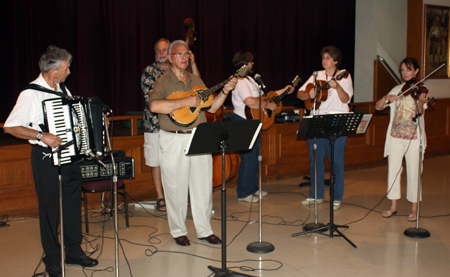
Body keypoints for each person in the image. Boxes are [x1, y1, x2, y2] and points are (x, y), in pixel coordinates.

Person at [3, 46, 98, 277]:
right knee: (49, 211)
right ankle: (52, 259)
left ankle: (74, 252)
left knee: (72, 206)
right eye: (66, 68)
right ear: (53, 70)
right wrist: (40, 135)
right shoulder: (31, 93)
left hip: (69, 158)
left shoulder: (62, 88)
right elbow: (10, 126)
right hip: (45, 159)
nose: (69, 72)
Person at [149, 40, 237, 246]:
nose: (184, 58)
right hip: (173, 138)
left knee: (202, 186)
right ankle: (178, 230)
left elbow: (212, 108)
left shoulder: (196, 80)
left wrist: (226, 91)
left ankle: (205, 230)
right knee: (175, 187)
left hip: (199, 136)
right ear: (170, 58)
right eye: (179, 54)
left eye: (186, 54)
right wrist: (184, 102)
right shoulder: (163, 81)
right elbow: (154, 106)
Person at [141, 38, 201, 212]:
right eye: (158, 50)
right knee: (156, 162)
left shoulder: (184, 70)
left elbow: (199, 85)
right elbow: (154, 98)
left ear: (170, 54)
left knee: (178, 163)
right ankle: (161, 197)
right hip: (154, 125)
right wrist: (181, 99)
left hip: (179, 124)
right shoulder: (150, 72)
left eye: (164, 50)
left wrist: (193, 63)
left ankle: (179, 196)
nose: (161, 53)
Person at [230, 51, 293, 203]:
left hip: (253, 121)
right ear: (244, 64)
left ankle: (252, 188)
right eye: (251, 62)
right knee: (248, 158)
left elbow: (266, 96)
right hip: (243, 121)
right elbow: (250, 102)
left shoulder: (250, 79)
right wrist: (268, 105)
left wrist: (284, 90)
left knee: (254, 157)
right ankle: (244, 193)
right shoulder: (240, 81)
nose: (253, 64)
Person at [297, 45, 354, 211]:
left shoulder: (345, 76)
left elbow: (346, 100)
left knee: (336, 161)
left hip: (338, 120)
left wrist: (337, 87)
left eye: (328, 58)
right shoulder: (317, 75)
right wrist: (309, 95)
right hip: (318, 119)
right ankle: (316, 195)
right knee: (316, 160)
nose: (324, 60)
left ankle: (336, 197)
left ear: (336, 61)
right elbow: (300, 94)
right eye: (323, 57)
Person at [375, 57, 428, 222]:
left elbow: (420, 113)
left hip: (413, 137)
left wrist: (420, 102)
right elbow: (378, 107)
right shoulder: (397, 89)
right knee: (393, 170)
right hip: (395, 137)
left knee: (414, 171)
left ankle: (414, 208)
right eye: (403, 70)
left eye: (409, 69)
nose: (405, 73)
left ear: (416, 71)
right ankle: (393, 206)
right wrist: (386, 98)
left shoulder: (421, 90)